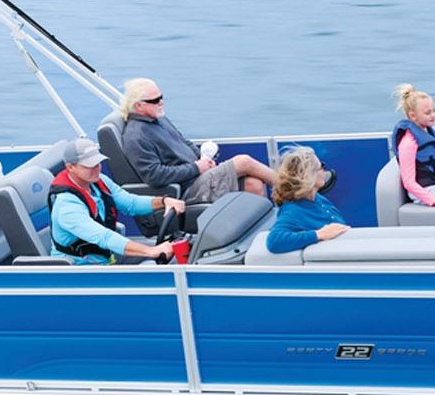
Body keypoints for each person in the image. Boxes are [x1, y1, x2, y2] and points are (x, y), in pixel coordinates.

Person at [115, 77, 285, 203]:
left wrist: (203, 160)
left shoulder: (159, 119)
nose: (161, 102)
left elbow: (184, 142)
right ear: (139, 105)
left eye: (161, 97)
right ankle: (291, 188)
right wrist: (196, 168)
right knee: (243, 161)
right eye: (154, 100)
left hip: (198, 175)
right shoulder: (136, 136)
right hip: (187, 189)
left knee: (254, 185)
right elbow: (154, 176)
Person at [48, 140, 184, 263]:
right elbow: (104, 237)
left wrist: (164, 201)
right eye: (89, 165)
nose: (96, 168)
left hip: (105, 258)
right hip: (81, 269)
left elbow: (130, 203)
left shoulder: (98, 180)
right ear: (70, 167)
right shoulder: (66, 206)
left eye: (97, 163)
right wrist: (151, 251)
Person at [267, 147, 353, 254]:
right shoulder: (293, 211)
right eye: (321, 167)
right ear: (309, 176)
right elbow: (274, 241)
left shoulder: (317, 198)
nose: (325, 171)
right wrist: (319, 234)